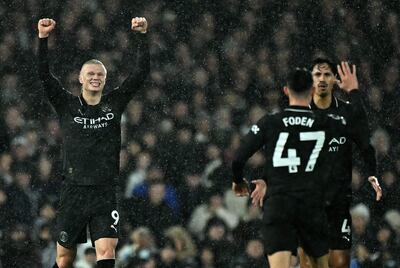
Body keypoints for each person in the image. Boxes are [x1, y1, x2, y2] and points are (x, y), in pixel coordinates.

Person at [37, 16, 150, 268]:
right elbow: (44, 75)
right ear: (80, 78)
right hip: (73, 190)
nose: (95, 77)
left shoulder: (114, 103)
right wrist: (43, 39)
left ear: (105, 79)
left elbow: (140, 73)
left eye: (100, 74)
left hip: (105, 191)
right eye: (90, 73)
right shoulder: (66, 105)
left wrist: (142, 36)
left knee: (106, 251)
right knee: (65, 259)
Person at [232, 68, 347, 268]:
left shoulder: (270, 122)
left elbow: (238, 158)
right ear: (312, 91)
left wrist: (239, 181)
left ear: (286, 91)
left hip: (279, 204)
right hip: (312, 206)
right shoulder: (328, 123)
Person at [299, 59, 382, 268]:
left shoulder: (345, 112)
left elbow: (364, 140)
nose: (322, 80)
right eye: (317, 75)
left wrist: (354, 92)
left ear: (335, 81)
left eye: (327, 75)